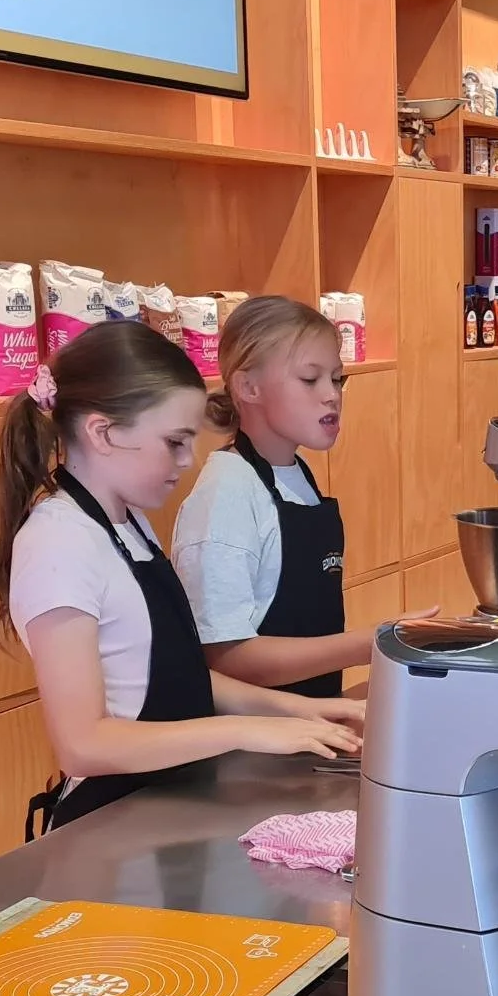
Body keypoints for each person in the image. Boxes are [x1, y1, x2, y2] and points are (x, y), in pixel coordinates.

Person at [0, 321, 363, 834]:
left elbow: (173, 678)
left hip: (170, 805)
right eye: (175, 442)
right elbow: (83, 744)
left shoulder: (128, 524)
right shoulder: (58, 541)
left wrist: (304, 712)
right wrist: (245, 731)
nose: (188, 461)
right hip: (110, 824)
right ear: (103, 433)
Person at [173, 297, 424, 697]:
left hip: (311, 720)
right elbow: (225, 657)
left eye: (337, 379)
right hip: (256, 731)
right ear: (248, 387)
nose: (331, 395)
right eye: (310, 379)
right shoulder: (226, 495)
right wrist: (368, 645)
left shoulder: (296, 473)